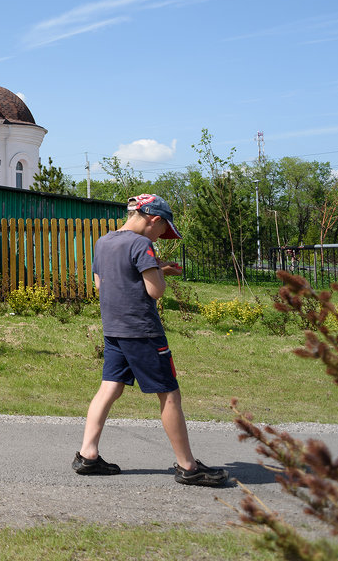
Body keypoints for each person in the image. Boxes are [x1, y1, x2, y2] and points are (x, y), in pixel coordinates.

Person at [72, 193, 228, 486]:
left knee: (110, 388)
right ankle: (188, 466)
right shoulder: (143, 245)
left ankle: (87, 455)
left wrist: (156, 268)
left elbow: (101, 283)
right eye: (162, 230)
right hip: (143, 332)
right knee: (169, 394)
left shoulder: (104, 241)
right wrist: (159, 272)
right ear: (154, 219)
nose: (160, 237)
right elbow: (155, 291)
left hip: (114, 329)